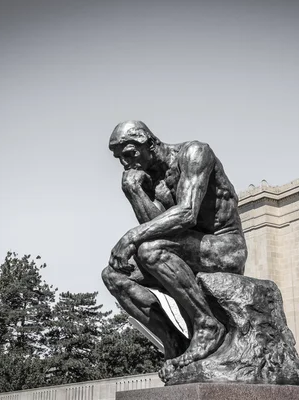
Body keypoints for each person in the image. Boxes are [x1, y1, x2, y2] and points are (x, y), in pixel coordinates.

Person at [101, 120, 247, 376]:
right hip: (188, 248)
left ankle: (207, 324)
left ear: (149, 142)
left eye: (129, 153)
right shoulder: (151, 180)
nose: (125, 163)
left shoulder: (194, 154)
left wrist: (131, 237)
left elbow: (188, 213)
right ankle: (174, 343)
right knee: (114, 275)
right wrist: (134, 191)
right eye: (119, 158)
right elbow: (156, 226)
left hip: (225, 245)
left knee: (149, 251)